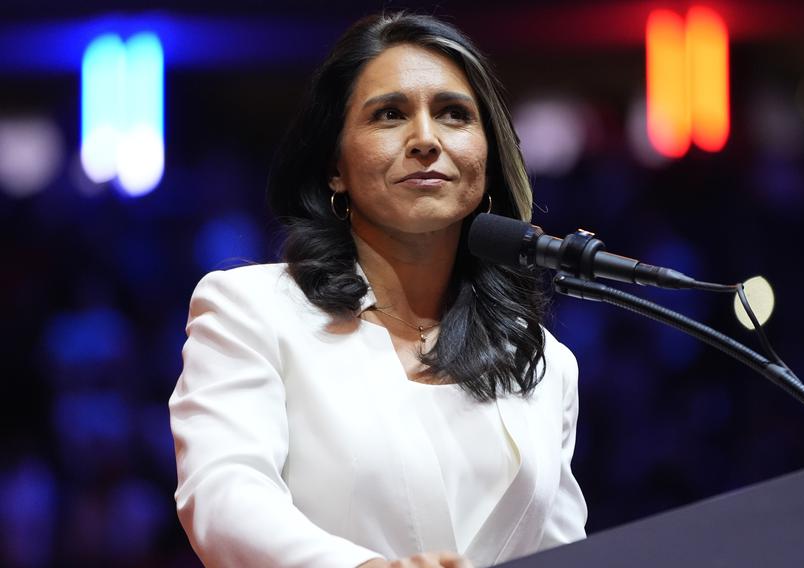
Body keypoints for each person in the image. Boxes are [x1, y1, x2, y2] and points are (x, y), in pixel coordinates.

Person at [169, 12, 587, 568]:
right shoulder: (250, 310)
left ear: (486, 159)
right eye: (389, 114)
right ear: (334, 167)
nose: (425, 139)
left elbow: (563, 548)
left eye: (454, 115)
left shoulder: (541, 361)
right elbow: (224, 496)